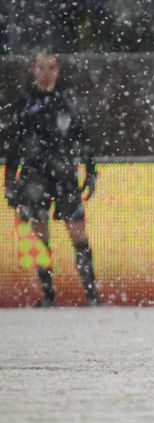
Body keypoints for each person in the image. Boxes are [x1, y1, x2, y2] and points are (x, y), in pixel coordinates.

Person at [4, 50, 101, 307]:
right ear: (33, 70)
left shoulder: (67, 101)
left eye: (51, 67)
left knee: (78, 233)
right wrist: (10, 182)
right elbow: (13, 146)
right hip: (35, 176)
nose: (46, 72)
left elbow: (83, 137)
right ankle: (49, 296)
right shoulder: (25, 103)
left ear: (58, 71)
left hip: (65, 174)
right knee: (39, 234)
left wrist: (91, 170)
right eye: (41, 67)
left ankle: (92, 295)